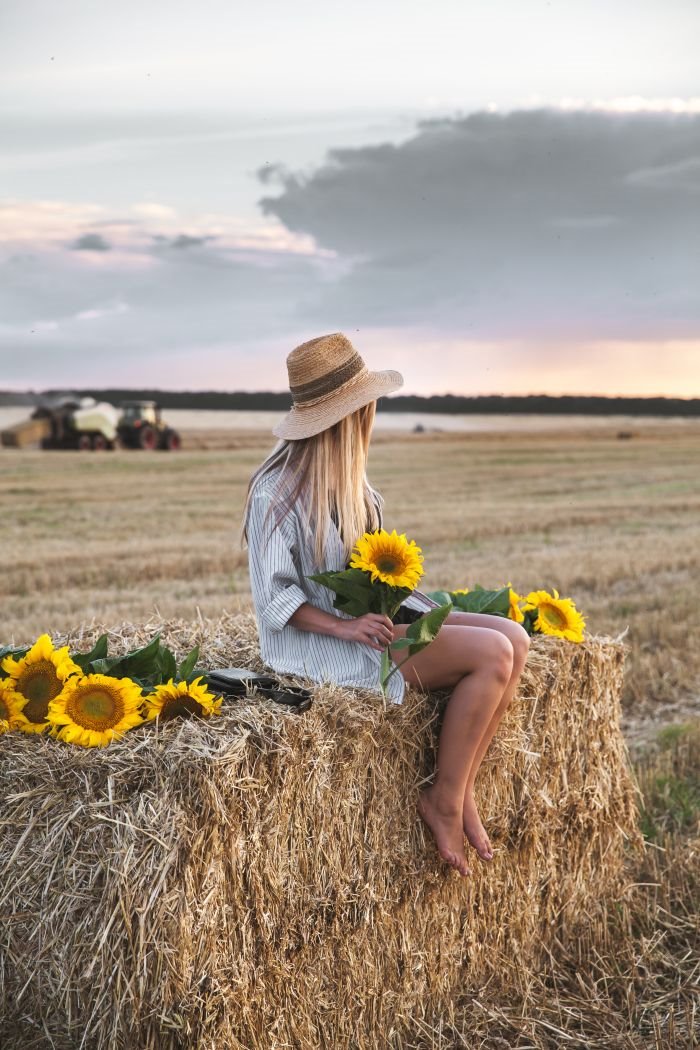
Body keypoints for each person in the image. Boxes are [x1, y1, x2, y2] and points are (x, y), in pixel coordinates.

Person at [241, 333, 530, 878]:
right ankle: (443, 800)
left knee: (513, 636)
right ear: (351, 413)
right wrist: (344, 629)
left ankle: (461, 784)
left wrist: (416, 609)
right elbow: (273, 598)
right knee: (490, 655)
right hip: (316, 648)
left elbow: (374, 580)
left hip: (366, 627)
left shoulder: (355, 488)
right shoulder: (273, 496)